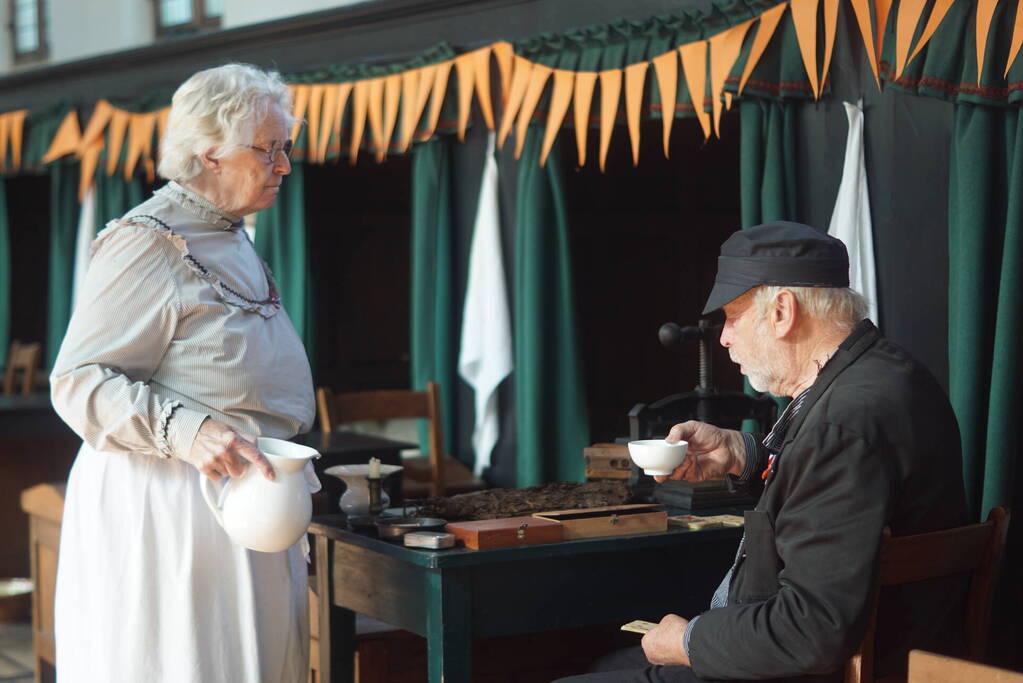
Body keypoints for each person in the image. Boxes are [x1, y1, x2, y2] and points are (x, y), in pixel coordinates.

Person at [556, 221, 967, 683]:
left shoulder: (843, 423)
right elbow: (832, 491)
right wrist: (745, 454)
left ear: (782, 313)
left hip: (809, 672)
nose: (724, 337)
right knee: (606, 666)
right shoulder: (887, 376)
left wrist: (689, 641)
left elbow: (809, 631)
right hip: (864, 652)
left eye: (732, 316)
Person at [50, 64, 317, 682]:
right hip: (166, 507)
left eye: (285, 148)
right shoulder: (148, 240)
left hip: (242, 500)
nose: (283, 166)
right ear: (210, 153)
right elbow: (78, 380)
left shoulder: (230, 235)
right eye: (268, 149)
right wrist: (189, 431)